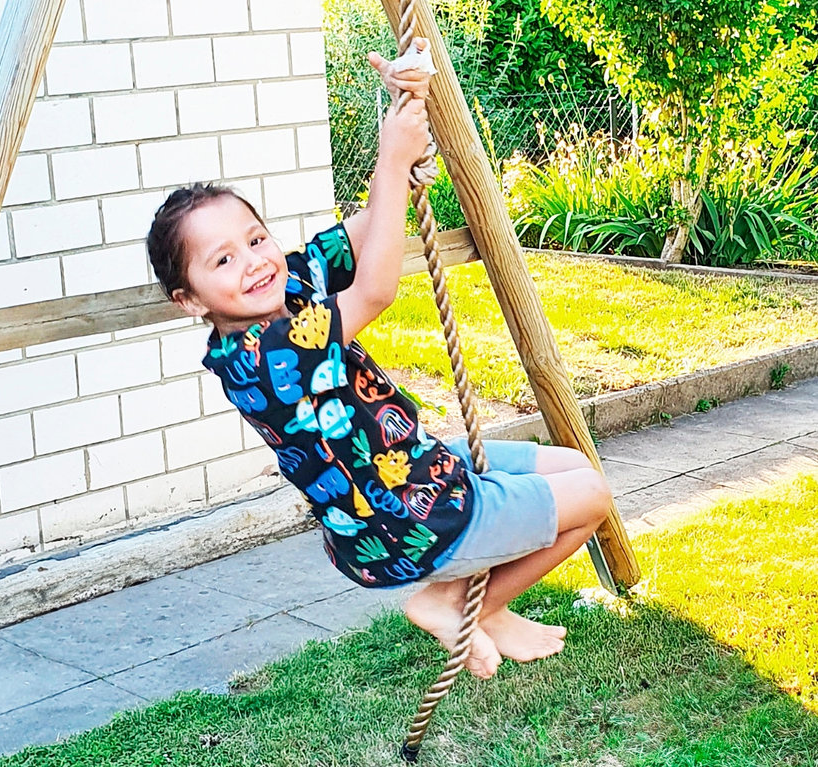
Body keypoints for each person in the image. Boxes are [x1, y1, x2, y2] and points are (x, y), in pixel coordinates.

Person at [146, 41, 612, 679]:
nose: (254, 260)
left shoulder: (280, 290)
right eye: (222, 259)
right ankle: (454, 602)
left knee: (570, 464)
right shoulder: (266, 350)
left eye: (256, 239)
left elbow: (364, 228)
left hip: (418, 473)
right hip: (407, 521)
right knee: (591, 495)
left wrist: (400, 137)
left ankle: (486, 606)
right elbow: (375, 291)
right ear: (188, 300)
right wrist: (393, 166)